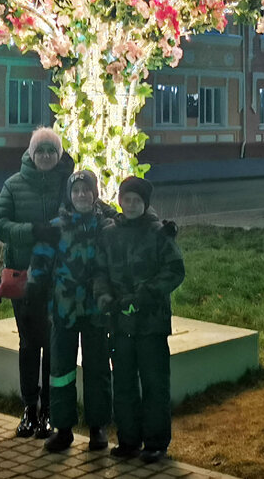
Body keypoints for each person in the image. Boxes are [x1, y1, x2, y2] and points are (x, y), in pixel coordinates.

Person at [0, 127, 73, 439]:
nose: (47, 156)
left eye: (52, 151)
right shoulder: (13, 185)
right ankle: (29, 408)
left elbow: (86, 210)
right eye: (41, 151)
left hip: (58, 277)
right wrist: (32, 231)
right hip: (24, 276)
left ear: (59, 154)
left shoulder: (69, 185)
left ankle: (49, 409)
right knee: (29, 343)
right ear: (31, 154)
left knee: (52, 344)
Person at [97, 176, 184, 464]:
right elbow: (99, 272)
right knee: (123, 383)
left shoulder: (159, 234)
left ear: (145, 204)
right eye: (127, 199)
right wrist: (106, 298)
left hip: (150, 323)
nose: (131, 205)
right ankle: (128, 438)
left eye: (137, 201)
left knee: (154, 382)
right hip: (119, 323)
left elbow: (174, 270)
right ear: (119, 201)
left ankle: (156, 442)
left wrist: (144, 296)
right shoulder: (109, 234)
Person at [26, 169, 115, 454]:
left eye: (86, 190)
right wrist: (35, 291)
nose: (81, 196)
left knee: (98, 369)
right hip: (63, 309)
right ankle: (63, 428)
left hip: (95, 310)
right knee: (61, 370)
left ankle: (98, 427)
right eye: (76, 191)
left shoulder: (106, 225)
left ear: (95, 193)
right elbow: (40, 261)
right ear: (69, 195)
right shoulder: (56, 226)